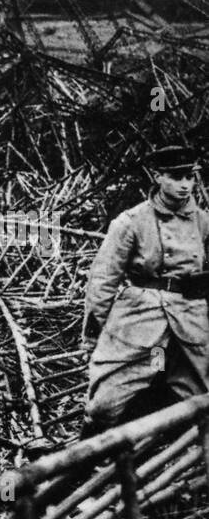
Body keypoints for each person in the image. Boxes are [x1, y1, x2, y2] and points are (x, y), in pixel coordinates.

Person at [82, 144, 209, 436]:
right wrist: (97, 329)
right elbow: (104, 277)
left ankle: (164, 445)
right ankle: (87, 453)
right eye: (175, 177)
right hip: (141, 321)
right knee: (106, 402)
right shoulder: (132, 222)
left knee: (197, 395)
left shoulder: (203, 222)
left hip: (189, 322)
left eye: (189, 177)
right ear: (157, 177)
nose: (184, 185)